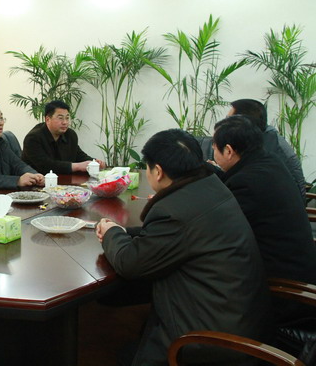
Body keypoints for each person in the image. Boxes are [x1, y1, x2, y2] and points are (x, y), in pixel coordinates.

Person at [96, 129, 270, 366]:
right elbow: (172, 236)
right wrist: (125, 232)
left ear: (158, 171)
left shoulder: (173, 211)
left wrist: (111, 233)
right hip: (241, 320)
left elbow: (130, 262)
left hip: (211, 341)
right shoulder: (211, 186)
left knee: (124, 354)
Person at [212, 115, 316, 323]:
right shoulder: (269, 162)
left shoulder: (246, 183)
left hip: (283, 294)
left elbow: (218, 232)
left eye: (214, 147)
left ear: (229, 151)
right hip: (301, 275)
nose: (212, 152)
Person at [227, 99, 306, 198]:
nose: (224, 124)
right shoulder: (264, 135)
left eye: (228, 120)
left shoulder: (268, 144)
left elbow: (246, 179)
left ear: (243, 122)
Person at [21, 100, 106, 174]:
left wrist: (94, 162)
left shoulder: (70, 134)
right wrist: (77, 166)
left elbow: (78, 155)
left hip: (64, 181)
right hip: (37, 182)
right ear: (47, 119)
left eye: (67, 118)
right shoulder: (33, 138)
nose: (65, 122)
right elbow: (46, 166)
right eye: (60, 118)